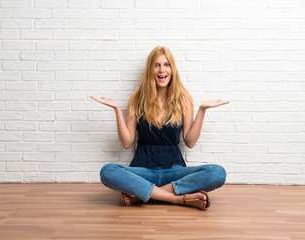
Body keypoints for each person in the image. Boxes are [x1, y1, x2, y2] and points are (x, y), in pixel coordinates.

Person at [91, 46, 229, 210]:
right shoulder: (137, 99)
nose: (162, 70)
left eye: (166, 64)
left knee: (217, 173)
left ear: (172, 69)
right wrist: (116, 110)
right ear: (150, 69)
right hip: (142, 172)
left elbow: (190, 142)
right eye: (156, 65)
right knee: (108, 171)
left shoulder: (183, 99)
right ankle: (177, 199)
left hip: (174, 172)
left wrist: (202, 110)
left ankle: (142, 196)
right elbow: (127, 143)